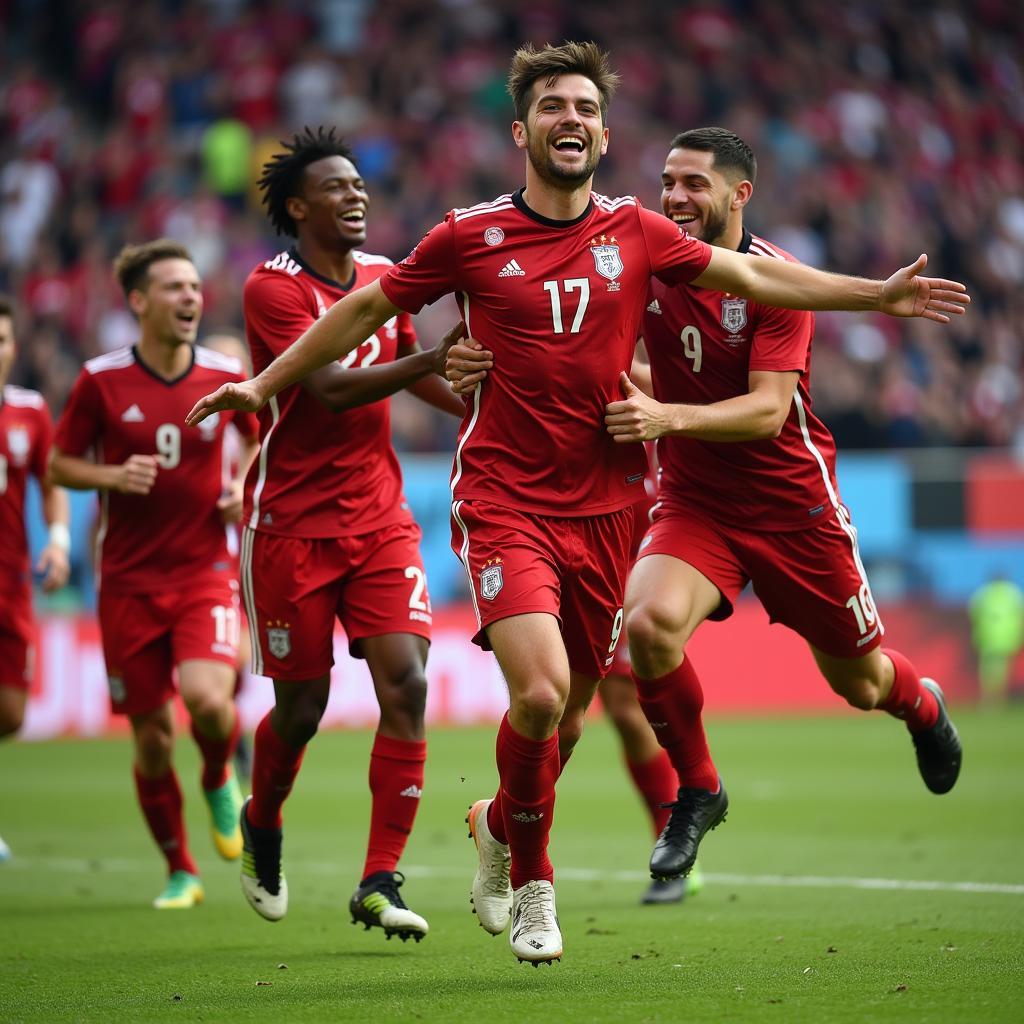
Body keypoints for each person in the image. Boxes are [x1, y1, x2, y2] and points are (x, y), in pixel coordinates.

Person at [185, 44, 969, 966]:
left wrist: (875, 295)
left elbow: (755, 280)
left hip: (617, 507)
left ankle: (494, 831)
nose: (572, 118)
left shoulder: (637, 233)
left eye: (587, 107)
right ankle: (536, 887)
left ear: (603, 132)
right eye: (553, 105)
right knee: (545, 690)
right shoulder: (467, 235)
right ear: (522, 130)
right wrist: (263, 384)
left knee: (585, 718)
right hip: (505, 499)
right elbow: (362, 312)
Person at [228, 127, 465, 942]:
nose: (357, 195)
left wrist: (492, 412)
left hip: (378, 518)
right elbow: (329, 388)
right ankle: (264, 817)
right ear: (298, 208)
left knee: (407, 682)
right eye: (337, 188)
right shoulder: (273, 289)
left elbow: (413, 366)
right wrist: (435, 359)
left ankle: (379, 878)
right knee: (302, 708)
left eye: (361, 185)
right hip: (289, 525)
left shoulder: (381, 278)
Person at [50, 241, 260, 908]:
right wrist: (112, 475)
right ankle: (182, 871)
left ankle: (219, 773)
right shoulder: (101, 380)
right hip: (127, 583)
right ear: (139, 302)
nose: (190, 297)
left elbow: (259, 439)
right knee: (150, 737)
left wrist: (240, 482)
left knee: (207, 698)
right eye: (173, 287)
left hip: (203, 569)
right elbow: (59, 466)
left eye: (195, 286)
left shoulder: (225, 373)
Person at [0, 294, 71, 862]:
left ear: (12, 348)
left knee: (11, 713)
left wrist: (58, 539)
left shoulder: (28, 411)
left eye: (1, 340)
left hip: (12, 580)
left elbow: (51, 483)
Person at [200, 331, 256, 781]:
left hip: (253, 549)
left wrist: (248, 490)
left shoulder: (255, 427)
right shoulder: (195, 427)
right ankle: (229, 741)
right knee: (229, 657)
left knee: (238, 657)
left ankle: (228, 737)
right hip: (207, 558)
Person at [968, 574, 1024, 705]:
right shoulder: (1013, 592)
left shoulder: (984, 593)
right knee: (1002, 667)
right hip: (1008, 637)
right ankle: (999, 697)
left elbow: (973, 613)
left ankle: (990, 698)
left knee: (988, 668)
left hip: (987, 636)